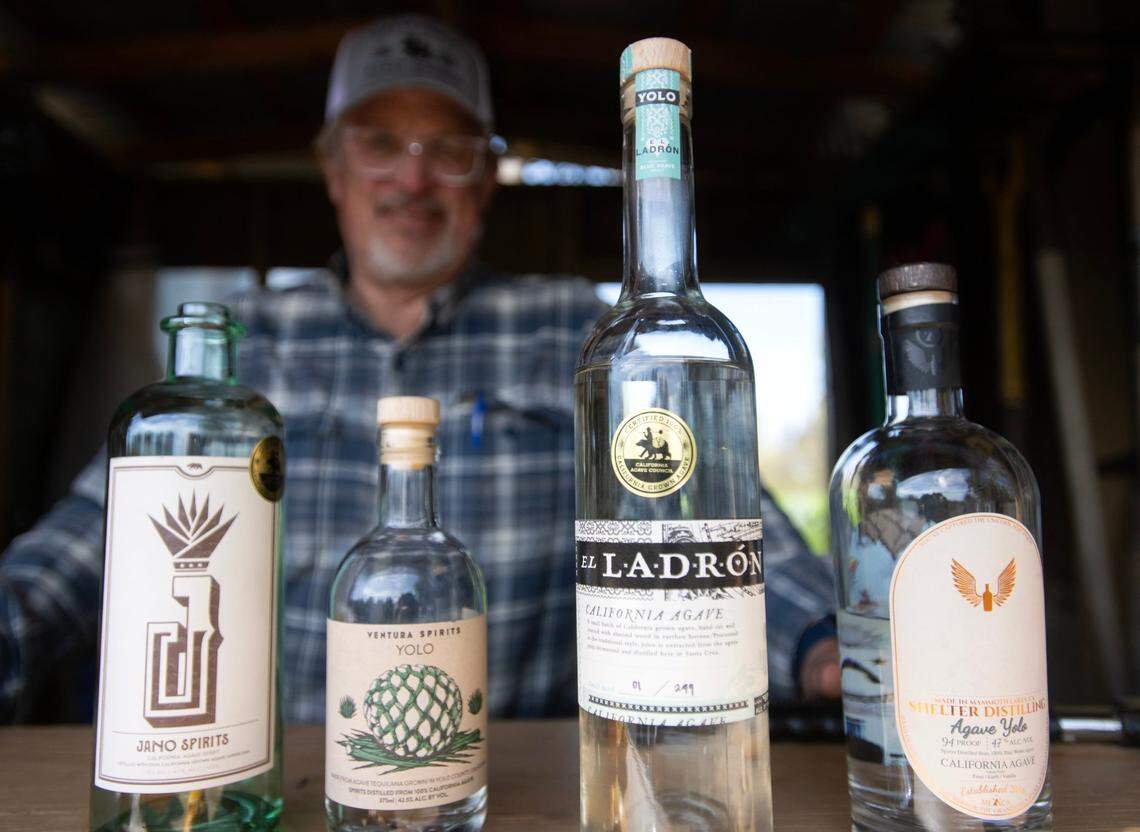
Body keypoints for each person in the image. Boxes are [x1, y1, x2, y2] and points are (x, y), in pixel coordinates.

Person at [0, 15, 838, 723]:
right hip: (285, 784)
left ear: (486, 178)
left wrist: (822, 644)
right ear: (332, 168)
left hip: (518, 785)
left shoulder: (575, 331)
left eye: (449, 148)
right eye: (379, 144)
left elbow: (712, 523)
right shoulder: (246, 340)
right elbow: (97, 538)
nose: (412, 177)